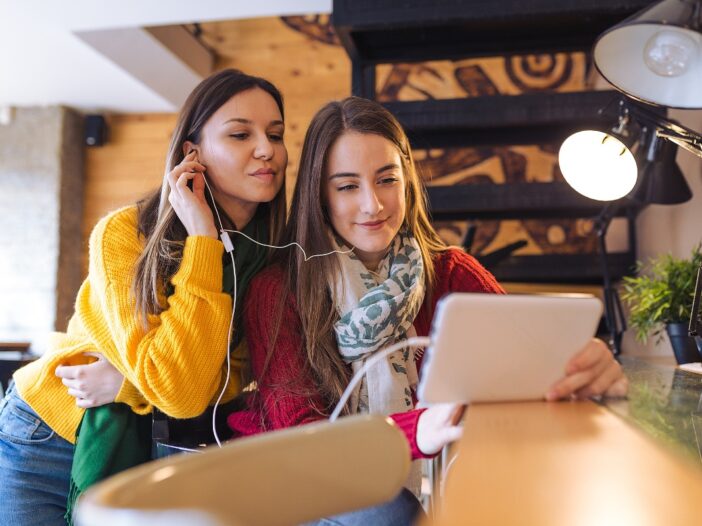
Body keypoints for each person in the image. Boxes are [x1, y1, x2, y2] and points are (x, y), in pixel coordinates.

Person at [228, 96, 629, 524]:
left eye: (386, 180)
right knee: (386, 512)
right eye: (347, 186)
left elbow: (527, 371)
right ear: (319, 195)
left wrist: (583, 373)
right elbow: (300, 437)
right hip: (305, 482)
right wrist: (413, 432)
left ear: (407, 181)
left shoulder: (451, 273)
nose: (373, 205)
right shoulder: (279, 288)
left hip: (432, 478)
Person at [0, 68, 288, 525]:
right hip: (48, 430)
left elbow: (218, 381)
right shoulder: (124, 235)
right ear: (193, 153)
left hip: (160, 439)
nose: (266, 149)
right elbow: (175, 384)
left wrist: (127, 386)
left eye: (276, 134)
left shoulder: (275, 258)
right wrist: (203, 240)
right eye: (240, 134)